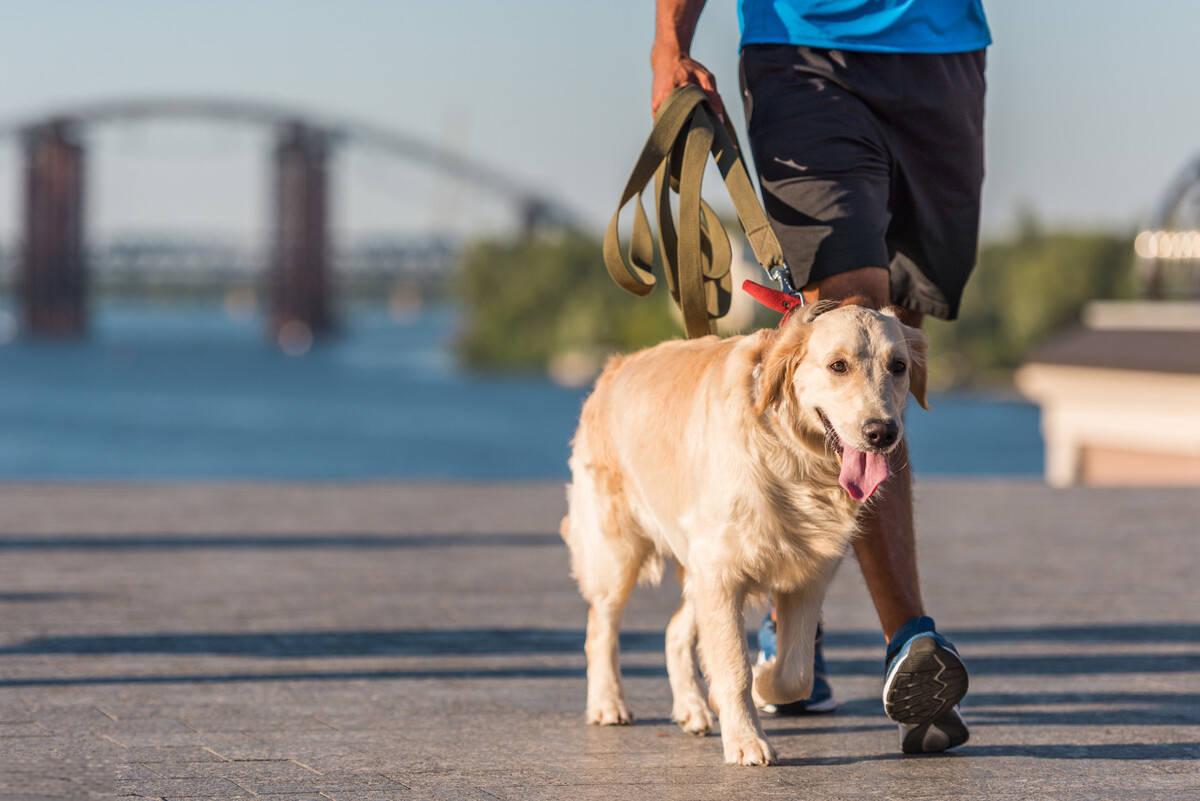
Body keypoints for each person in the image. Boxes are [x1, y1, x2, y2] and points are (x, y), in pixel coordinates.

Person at [650, 0, 990, 753]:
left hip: (943, 51)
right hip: (804, 53)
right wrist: (669, 40)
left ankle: (793, 596)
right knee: (853, 323)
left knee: (897, 335)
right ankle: (909, 635)